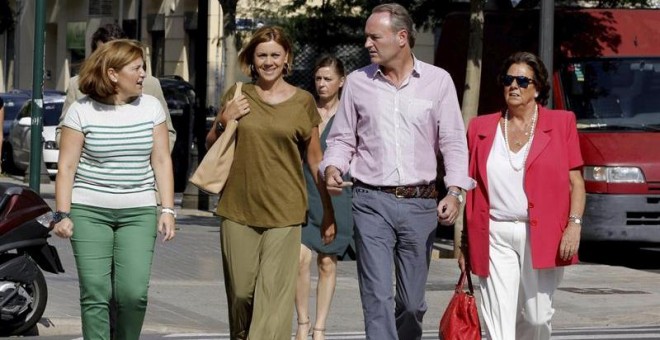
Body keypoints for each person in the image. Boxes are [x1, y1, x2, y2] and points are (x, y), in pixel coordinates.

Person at [320, 4, 475, 339]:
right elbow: (343, 138)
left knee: (411, 303)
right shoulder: (359, 83)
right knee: (376, 297)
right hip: (369, 200)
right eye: (366, 37)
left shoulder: (438, 82)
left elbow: (453, 142)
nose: (367, 44)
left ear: (401, 37)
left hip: (421, 204)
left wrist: (455, 190)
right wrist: (333, 165)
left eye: (374, 37)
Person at [205, 26, 336, 340]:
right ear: (252, 59)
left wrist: (328, 211)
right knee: (240, 294)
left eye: (275, 55)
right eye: (261, 55)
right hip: (237, 208)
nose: (268, 62)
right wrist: (225, 119)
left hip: (285, 213)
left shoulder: (303, 102)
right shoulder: (237, 94)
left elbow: (315, 160)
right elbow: (211, 143)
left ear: (286, 57)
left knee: (273, 298)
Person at [52, 39, 176, 340]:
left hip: (138, 211)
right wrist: (62, 214)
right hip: (89, 211)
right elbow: (66, 167)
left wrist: (168, 209)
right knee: (95, 292)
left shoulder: (151, 107)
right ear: (112, 74)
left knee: (132, 294)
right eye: (136, 68)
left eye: (143, 67)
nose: (143, 74)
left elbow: (161, 159)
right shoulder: (81, 111)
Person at [461, 51, 586, 340]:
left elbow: (576, 182)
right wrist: (465, 242)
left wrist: (574, 224)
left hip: (541, 235)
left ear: (537, 88)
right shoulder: (480, 128)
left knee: (538, 318)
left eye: (522, 81)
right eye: (508, 80)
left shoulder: (561, 123)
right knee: (497, 321)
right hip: (494, 233)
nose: (513, 86)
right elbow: (470, 187)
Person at [295, 56, 350, 340]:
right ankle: (302, 323)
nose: (322, 84)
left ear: (342, 81)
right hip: (304, 191)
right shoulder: (306, 110)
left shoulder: (350, 114)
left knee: (327, 262)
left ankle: (320, 327)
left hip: (337, 195)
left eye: (328, 79)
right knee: (300, 259)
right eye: (318, 78)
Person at [56, 23, 176, 151]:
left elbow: (168, 133)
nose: (108, 61)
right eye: (103, 55)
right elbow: (62, 134)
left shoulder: (150, 85)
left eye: (115, 55)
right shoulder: (78, 85)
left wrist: (149, 161)